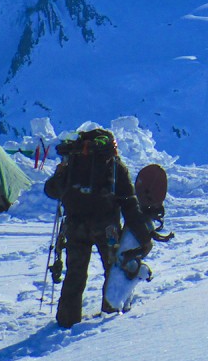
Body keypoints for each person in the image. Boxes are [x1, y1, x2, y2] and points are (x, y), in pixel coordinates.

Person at [44, 127, 150, 328]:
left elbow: (51, 190)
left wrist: (60, 173)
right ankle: (111, 312)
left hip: (75, 225)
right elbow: (128, 201)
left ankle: (67, 318)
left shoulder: (72, 162)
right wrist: (142, 233)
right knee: (112, 269)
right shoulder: (114, 165)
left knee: (75, 272)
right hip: (106, 227)